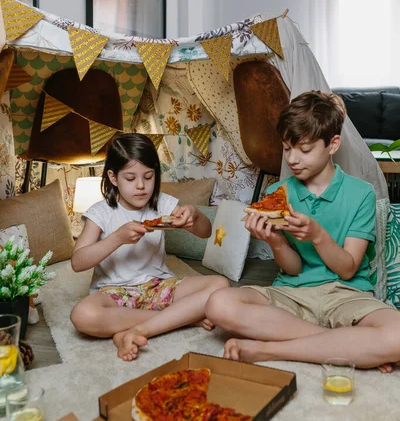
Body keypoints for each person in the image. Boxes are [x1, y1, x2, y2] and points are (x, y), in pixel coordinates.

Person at [205, 91, 400, 371]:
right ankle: (347, 344)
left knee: (398, 336)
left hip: (346, 294)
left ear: (333, 144)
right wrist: (275, 241)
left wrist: (317, 235)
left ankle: (270, 350)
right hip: (291, 294)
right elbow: (294, 269)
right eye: (287, 148)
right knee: (219, 304)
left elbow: (347, 269)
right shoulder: (277, 192)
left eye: (304, 150)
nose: (293, 159)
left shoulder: (361, 194)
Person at [70, 133, 229, 361]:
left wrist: (195, 215)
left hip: (159, 286)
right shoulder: (100, 212)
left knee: (220, 285)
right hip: (114, 294)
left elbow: (205, 232)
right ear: (113, 178)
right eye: (130, 178)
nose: (141, 186)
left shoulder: (163, 203)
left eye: (148, 176)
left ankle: (133, 329)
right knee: (82, 315)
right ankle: (179, 318)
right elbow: (78, 262)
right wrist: (116, 238)